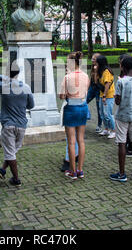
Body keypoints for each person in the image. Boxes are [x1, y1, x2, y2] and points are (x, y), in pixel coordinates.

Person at [0, 62, 35, 187]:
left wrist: (7, 78)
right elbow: (31, 105)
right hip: (21, 124)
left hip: (8, 125)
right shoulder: (26, 87)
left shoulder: (3, 87)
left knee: (11, 152)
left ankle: (16, 179)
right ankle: (3, 169)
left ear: (7, 73)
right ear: (19, 72)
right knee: (13, 151)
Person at [59, 51, 90, 180]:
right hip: (83, 107)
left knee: (71, 142)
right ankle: (80, 169)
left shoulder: (67, 77)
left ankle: (72, 171)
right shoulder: (86, 76)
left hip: (71, 108)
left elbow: (61, 96)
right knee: (81, 140)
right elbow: (86, 91)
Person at [95, 56, 116, 139]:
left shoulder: (107, 72)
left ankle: (114, 130)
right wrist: (96, 72)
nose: (95, 63)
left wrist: (104, 96)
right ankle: (106, 129)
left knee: (108, 114)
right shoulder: (101, 71)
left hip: (108, 96)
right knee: (102, 114)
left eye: (96, 62)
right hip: (101, 95)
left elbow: (107, 85)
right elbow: (96, 82)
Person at [86, 53, 103, 133]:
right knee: (84, 101)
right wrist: (87, 88)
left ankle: (99, 125)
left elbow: (96, 81)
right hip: (92, 88)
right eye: (92, 59)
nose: (92, 60)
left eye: (94, 59)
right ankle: (83, 118)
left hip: (98, 89)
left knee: (99, 108)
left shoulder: (101, 69)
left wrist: (96, 71)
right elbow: (91, 78)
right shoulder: (93, 67)